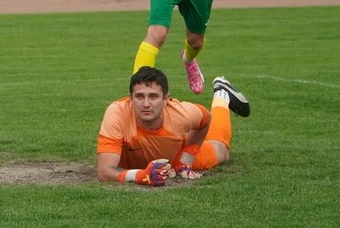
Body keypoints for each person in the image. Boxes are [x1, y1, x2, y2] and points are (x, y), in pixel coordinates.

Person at [96, 67, 250, 186]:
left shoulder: (181, 114)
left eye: (153, 96)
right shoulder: (117, 113)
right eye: (139, 96)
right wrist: (141, 175)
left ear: (165, 100)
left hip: (176, 154)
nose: (146, 104)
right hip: (141, 166)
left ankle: (221, 94)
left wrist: (185, 161)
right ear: (130, 99)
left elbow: (205, 119)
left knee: (221, 151)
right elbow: (104, 171)